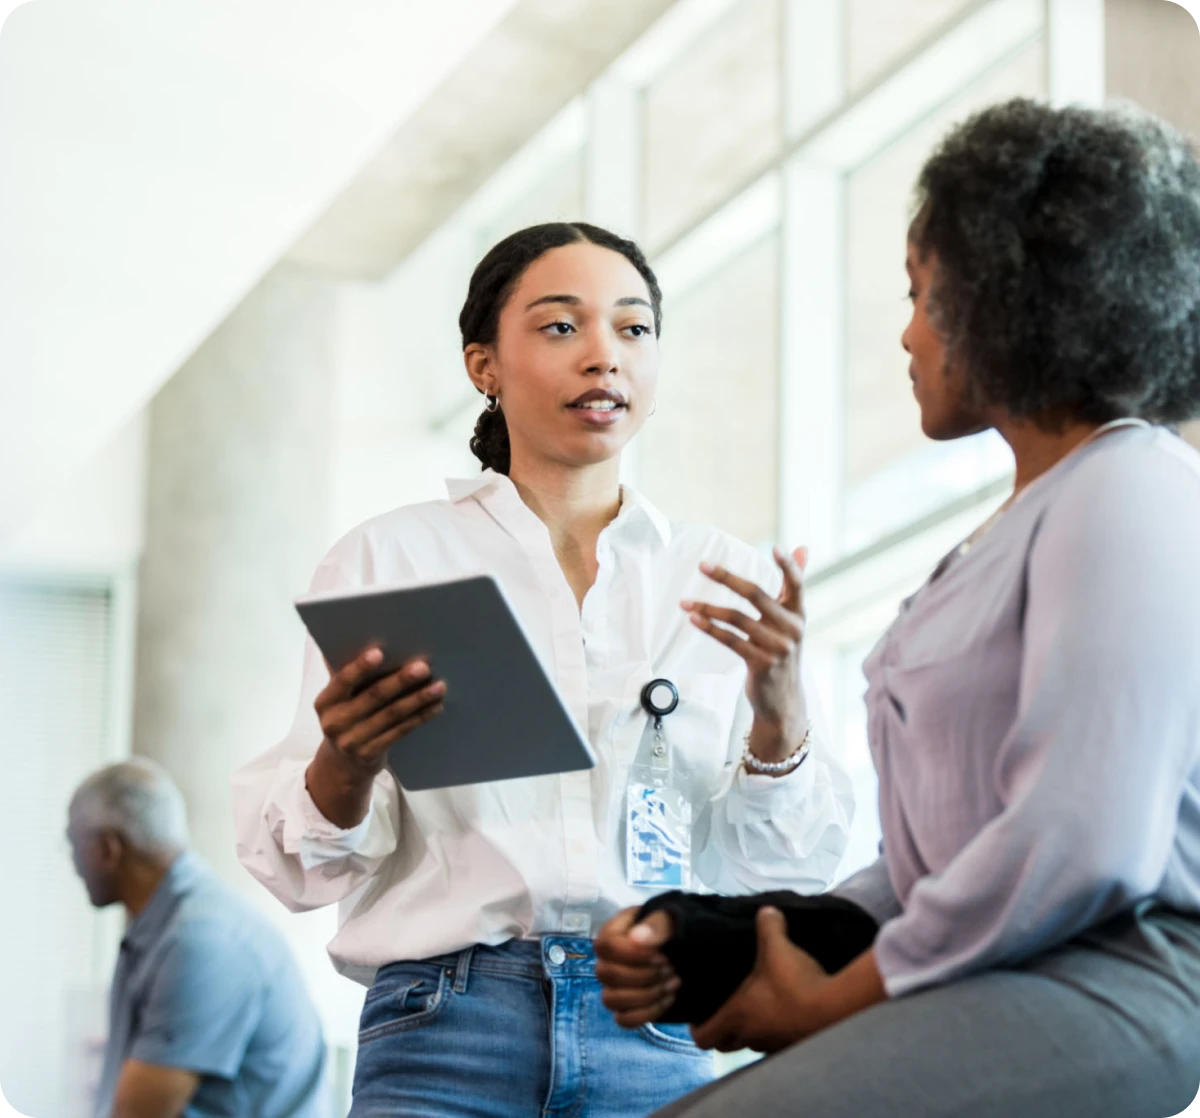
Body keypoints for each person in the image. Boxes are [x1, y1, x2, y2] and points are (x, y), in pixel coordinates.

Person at [594, 98, 1200, 1118]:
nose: (907, 332)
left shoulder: (1131, 482)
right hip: (1012, 967)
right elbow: (956, 856)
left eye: (922, 293)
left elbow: (1079, 835)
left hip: (1133, 973)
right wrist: (747, 932)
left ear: (1005, 298)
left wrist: (836, 1000)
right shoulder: (1011, 530)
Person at [231, 221, 854, 1117]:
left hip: (655, 1021)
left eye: (632, 329)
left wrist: (781, 716)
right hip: (444, 1030)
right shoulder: (396, 560)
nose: (604, 356)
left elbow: (773, 871)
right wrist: (347, 760)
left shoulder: (726, 581)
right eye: (562, 327)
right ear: (483, 365)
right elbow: (304, 870)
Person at [67, 758, 328, 1118]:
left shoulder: (201, 941)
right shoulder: (167, 925)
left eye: (73, 844)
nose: (72, 863)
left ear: (105, 849)